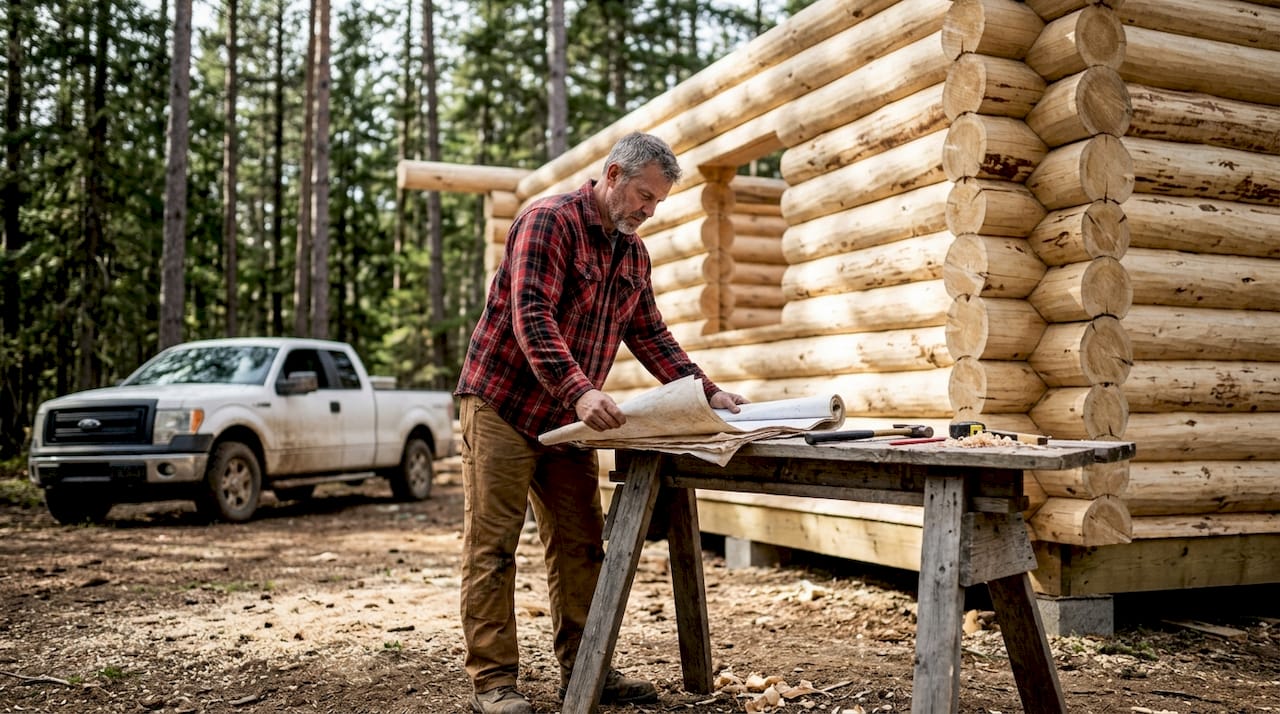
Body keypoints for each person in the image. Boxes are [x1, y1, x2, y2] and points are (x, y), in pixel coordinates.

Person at [454, 132, 749, 714]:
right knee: (493, 547)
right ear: (612, 175)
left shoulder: (632, 253)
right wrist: (582, 391)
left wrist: (706, 391)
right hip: (503, 406)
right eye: (643, 195)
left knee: (582, 544)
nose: (648, 210)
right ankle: (494, 681)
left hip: (568, 418)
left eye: (657, 202)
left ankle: (585, 669)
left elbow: (650, 334)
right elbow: (531, 317)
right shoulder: (548, 222)